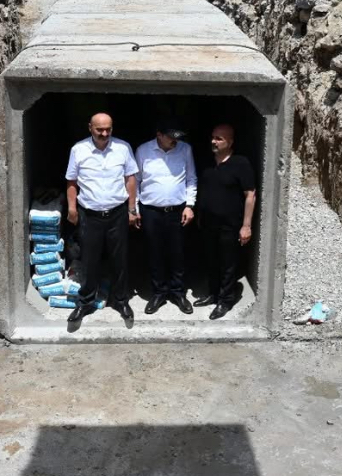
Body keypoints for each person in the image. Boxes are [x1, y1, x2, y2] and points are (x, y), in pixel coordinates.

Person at [64, 113, 139, 325]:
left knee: (120, 259)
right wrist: (72, 209)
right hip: (89, 215)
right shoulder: (78, 150)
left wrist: (132, 209)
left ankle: (121, 300)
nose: (104, 133)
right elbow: (71, 181)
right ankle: (86, 302)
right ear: (90, 128)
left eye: (108, 129)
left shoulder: (123, 148)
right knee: (89, 260)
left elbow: (130, 179)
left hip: (117, 213)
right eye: (99, 130)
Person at [134, 119, 197, 315]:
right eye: (171, 137)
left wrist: (190, 205)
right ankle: (159, 292)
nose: (175, 141)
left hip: (177, 211)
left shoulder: (185, 149)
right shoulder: (143, 151)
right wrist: (134, 208)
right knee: (155, 253)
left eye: (178, 137)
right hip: (150, 211)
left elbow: (191, 178)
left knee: (177, 253)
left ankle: (178, 293)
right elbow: (135, 180)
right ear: (159, 135)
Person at [194, 124, 256, 320]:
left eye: (219, 138)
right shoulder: (206, 162)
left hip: (230, 225)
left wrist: (246, 226)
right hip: (208, 224)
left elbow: (250, 195)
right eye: (213, 137)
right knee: (211, 260)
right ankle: (213, 294)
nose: (214, 141)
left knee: (228, 264)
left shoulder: (241, 163)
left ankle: (226, 300)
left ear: (230, 142)